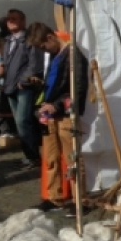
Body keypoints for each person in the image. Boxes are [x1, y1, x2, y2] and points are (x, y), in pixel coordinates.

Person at [26, 22, 88, 212]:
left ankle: (81, 200)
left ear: (51, 38)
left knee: (72, 157)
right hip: (50, 114)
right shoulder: (54, 57)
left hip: (65, 114)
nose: (43, 50)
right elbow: (53, 86)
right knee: (51, 157)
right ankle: (55, 196)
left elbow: (78, 89)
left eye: (43, 46)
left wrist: (58, 105)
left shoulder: (73, 56)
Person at [0, 9, 44, 168]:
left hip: (24, 87)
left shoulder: (29, 40)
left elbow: (34, 64)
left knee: (24, 121)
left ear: (23, 21)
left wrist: (23, 80)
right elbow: (6, 62)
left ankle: (33, 156)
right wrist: (1, 68)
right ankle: (30, 156)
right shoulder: (8, 41)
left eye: (14, 19)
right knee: (20, 123)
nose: (11, 21)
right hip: (10, 87)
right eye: (9, 19)